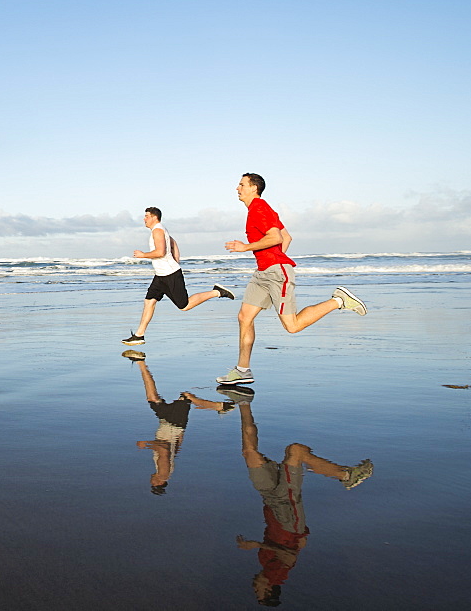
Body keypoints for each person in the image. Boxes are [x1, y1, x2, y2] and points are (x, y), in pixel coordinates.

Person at [217, 174, 367, 384]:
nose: (237, 188)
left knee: (292, 326)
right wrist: (273, 259)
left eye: (242, 184)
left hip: (275, 273)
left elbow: (276, 238)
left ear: (254, 188)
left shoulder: (259, 208)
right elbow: (287, 237)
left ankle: (339, 301)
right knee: (244, 317)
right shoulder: (260, 209)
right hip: (264, 272)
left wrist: (247, 248)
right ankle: (242, 370)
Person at [232, 394, 373, 606]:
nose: (255, 587)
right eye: (258, 592)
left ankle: (243, 404)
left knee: (249, 451)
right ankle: (346, 476)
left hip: (271, 504)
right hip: (288, 517)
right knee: (296, 451)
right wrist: (257, 544)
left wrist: (264, 545)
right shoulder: (277, 576)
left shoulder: (265, 566)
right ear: (269, 589)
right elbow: (290, 555)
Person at [122, 207, 235, 345]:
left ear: (154, 217)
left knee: (184, 305)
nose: (144, 219)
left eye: (146, 216)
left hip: (170, 275)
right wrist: (176, 259)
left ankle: (217, 292)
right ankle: (139, 335)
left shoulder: (157, 230)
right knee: (149, 301)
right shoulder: (159, 230)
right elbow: (173, 243)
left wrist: (143, 255)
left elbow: (161, 252)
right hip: (160, 275)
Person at [126, 351, 232, 494]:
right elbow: (164, 448)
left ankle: (141, 364)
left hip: (171, 424)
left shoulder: (167, 472)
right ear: (158, 483)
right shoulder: (163, 473)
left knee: (154, 398)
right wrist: (146, 444)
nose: (150, 481)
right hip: (172, 423)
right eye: (152, 484)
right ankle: (219, 407)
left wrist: (181, 434)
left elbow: (173, 450)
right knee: (185, 397)